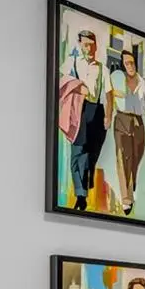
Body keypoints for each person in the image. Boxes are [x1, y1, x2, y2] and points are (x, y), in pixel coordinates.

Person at [60, 29, 108, 211]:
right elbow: (60, 79)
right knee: (77, 152)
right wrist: (78, 87)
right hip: (79, 109)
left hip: (96, 109)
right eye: (85, 44)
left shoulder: (102, 68)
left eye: (91, 45)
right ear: (80, 44)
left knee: (90, 155)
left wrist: (108, 115)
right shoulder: (72, 62)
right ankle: (81, 195)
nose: (89, 48)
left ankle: (85, 188)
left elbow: (108, 93)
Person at [107, 49, 145, 216]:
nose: (130, 66)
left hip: (138, 121)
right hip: (122, 118)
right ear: (122, 65)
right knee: (123, 157)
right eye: (127, 63)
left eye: (132, 63)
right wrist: (114, 99)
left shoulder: (142, 82)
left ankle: (131, 183)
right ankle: (126, 198)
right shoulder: (117, 78)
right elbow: (108, 94)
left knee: (136, 157)